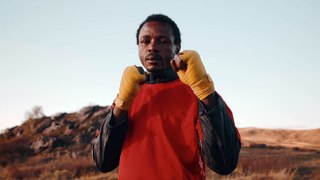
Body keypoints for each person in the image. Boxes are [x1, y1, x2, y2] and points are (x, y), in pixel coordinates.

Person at [92, 14, 241, 179]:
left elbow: (225, 163)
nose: (152, 47)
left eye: (162, 41)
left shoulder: (198, 92)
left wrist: (204, 90)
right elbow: (103, 162)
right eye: (145, 41)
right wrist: (121, 103)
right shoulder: (128, 93)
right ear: (138, 47)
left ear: (177, 48)